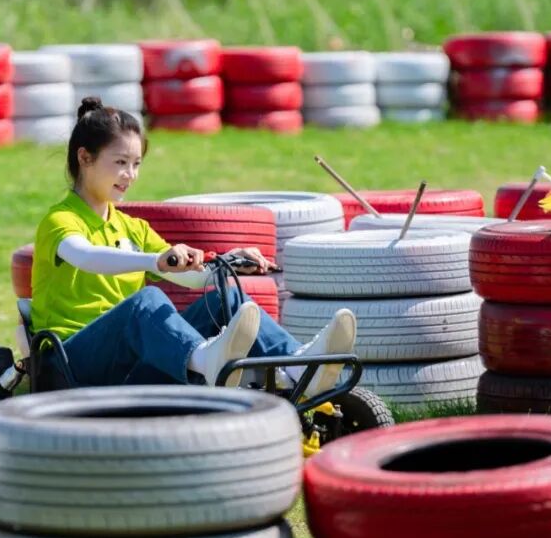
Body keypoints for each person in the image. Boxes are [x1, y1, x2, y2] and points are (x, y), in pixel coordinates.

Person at [29, 96, 356, 393]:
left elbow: (188, 276)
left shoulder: (133, 228)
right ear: (85, 158)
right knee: (146, 301)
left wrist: (228, 260)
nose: (130, 175)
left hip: (124, 363)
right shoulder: (60, 220)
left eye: (136, 163)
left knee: (228, 297)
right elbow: (85, 256)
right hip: (71, 364)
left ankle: (297, 367)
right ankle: (205, 360)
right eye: (120, 162)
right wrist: (153, 261)